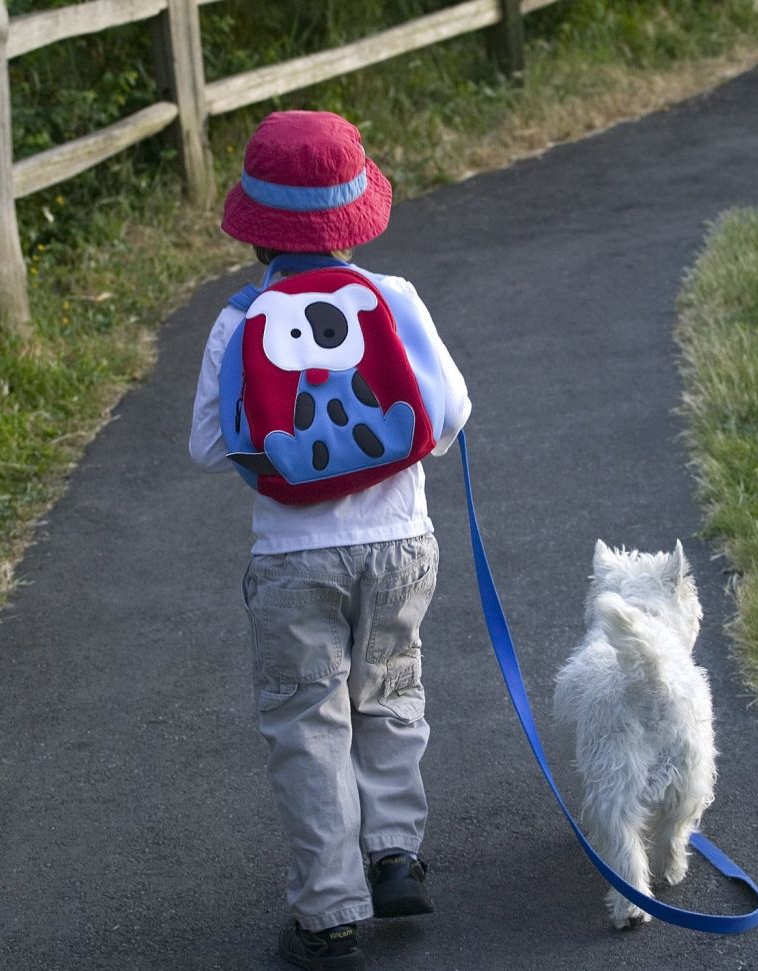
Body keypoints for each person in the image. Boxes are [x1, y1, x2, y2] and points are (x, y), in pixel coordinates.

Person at [189, 110, 471, 970]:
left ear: (254, 228)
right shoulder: (395, 299)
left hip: (290, 558)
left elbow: (207, 443)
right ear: (359, 214)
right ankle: (394, 856)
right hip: (400, 545)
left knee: (308, 722)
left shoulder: (240, 320)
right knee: (389, 690)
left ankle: (329, 911)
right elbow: (450, 416)